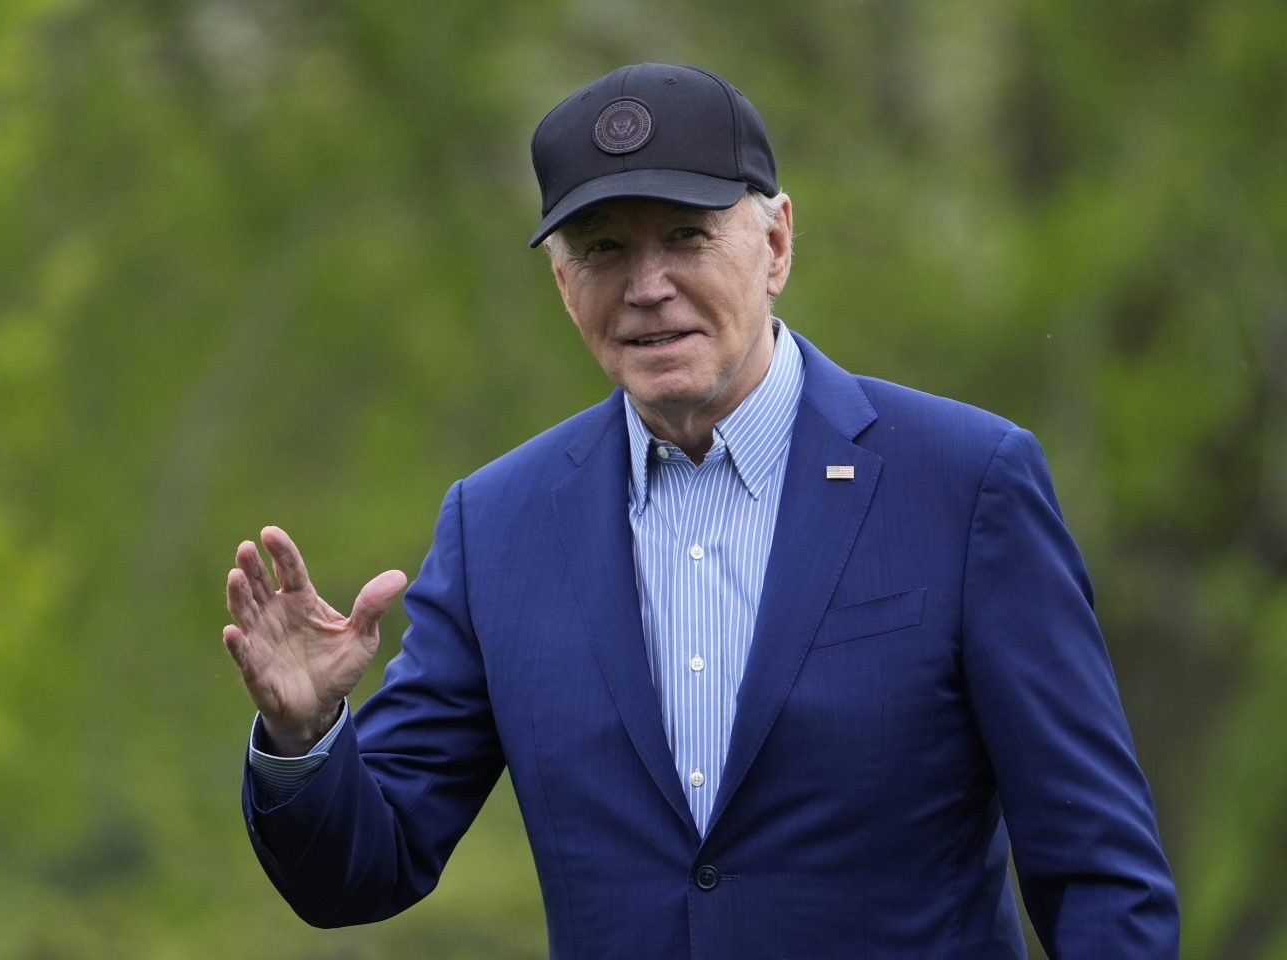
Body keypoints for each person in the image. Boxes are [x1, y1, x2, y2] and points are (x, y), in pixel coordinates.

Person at [222, 63, 1179, 959]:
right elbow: (366, 862)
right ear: (564, 285)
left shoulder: (965, 484)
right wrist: (306, 738)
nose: (647, 287)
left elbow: (1100, 873)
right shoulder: (497, 527)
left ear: (775, 244)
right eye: (604, 249)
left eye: (685, 235)